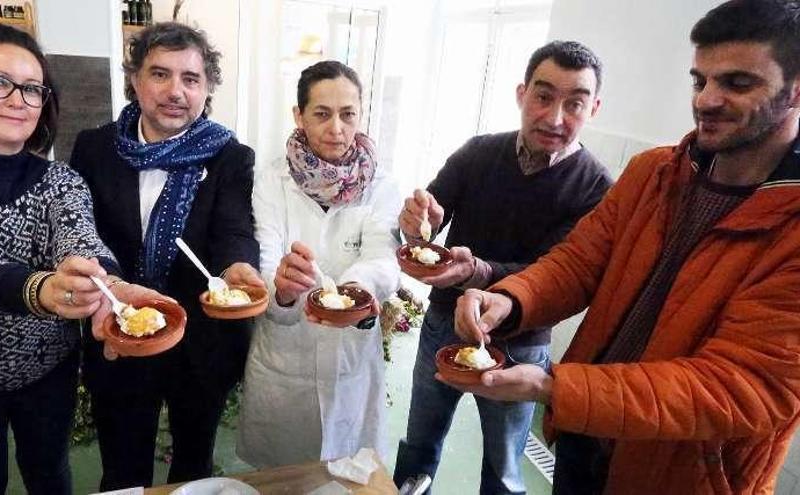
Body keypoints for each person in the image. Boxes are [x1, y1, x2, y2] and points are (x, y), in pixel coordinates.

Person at [446, 1, 800, 493]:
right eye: (700, 81)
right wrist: (509, 298)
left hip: (678, 475)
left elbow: (739, 387)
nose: (707, 100)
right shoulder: (655, 173)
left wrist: (555, 388)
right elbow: (579, 262)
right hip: (588, 436)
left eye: (737, 84)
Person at [0, 24, 159, 495]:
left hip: (45, 372)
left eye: (32, 88)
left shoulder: (61, 181)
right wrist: (41, 289)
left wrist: (109, 283)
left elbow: (81, 241)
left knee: (51, 475)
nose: (17, 99)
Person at [392, 41, 612, 494]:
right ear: (521, 93)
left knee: (505, 471)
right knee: (419, 447)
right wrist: (417, 224)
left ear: (594, 108)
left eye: (574, 103)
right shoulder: (477, 153)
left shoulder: (596, 187)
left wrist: (476, 272)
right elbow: (428, 221)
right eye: (543, 96)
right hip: (444, 322)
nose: (554, 117)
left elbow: (558, 271)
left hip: (523, 345)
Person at [70, 22, 262, 490]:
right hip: (118, 328)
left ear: (207, 88)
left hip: (200, 339)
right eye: (160, 74)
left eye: (191, 79)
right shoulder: (94, 148)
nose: (176, 91)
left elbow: (234, 228)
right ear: (135, 80)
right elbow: (78, 232)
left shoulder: (228, 156)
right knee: (122, 467)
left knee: (193, 464)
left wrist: (239, 267)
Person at [237, 60, 401, 467]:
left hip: (351, 361)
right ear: (299, 115)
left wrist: (348, 292)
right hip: (284, 361)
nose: (337, 129)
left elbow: (383, 257)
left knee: (346, 476)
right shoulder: (271, 181)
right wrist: (283, 287)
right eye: (322, 114)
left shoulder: (381, 184)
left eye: (348, 115)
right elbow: (267, 257)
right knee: (281, 478)